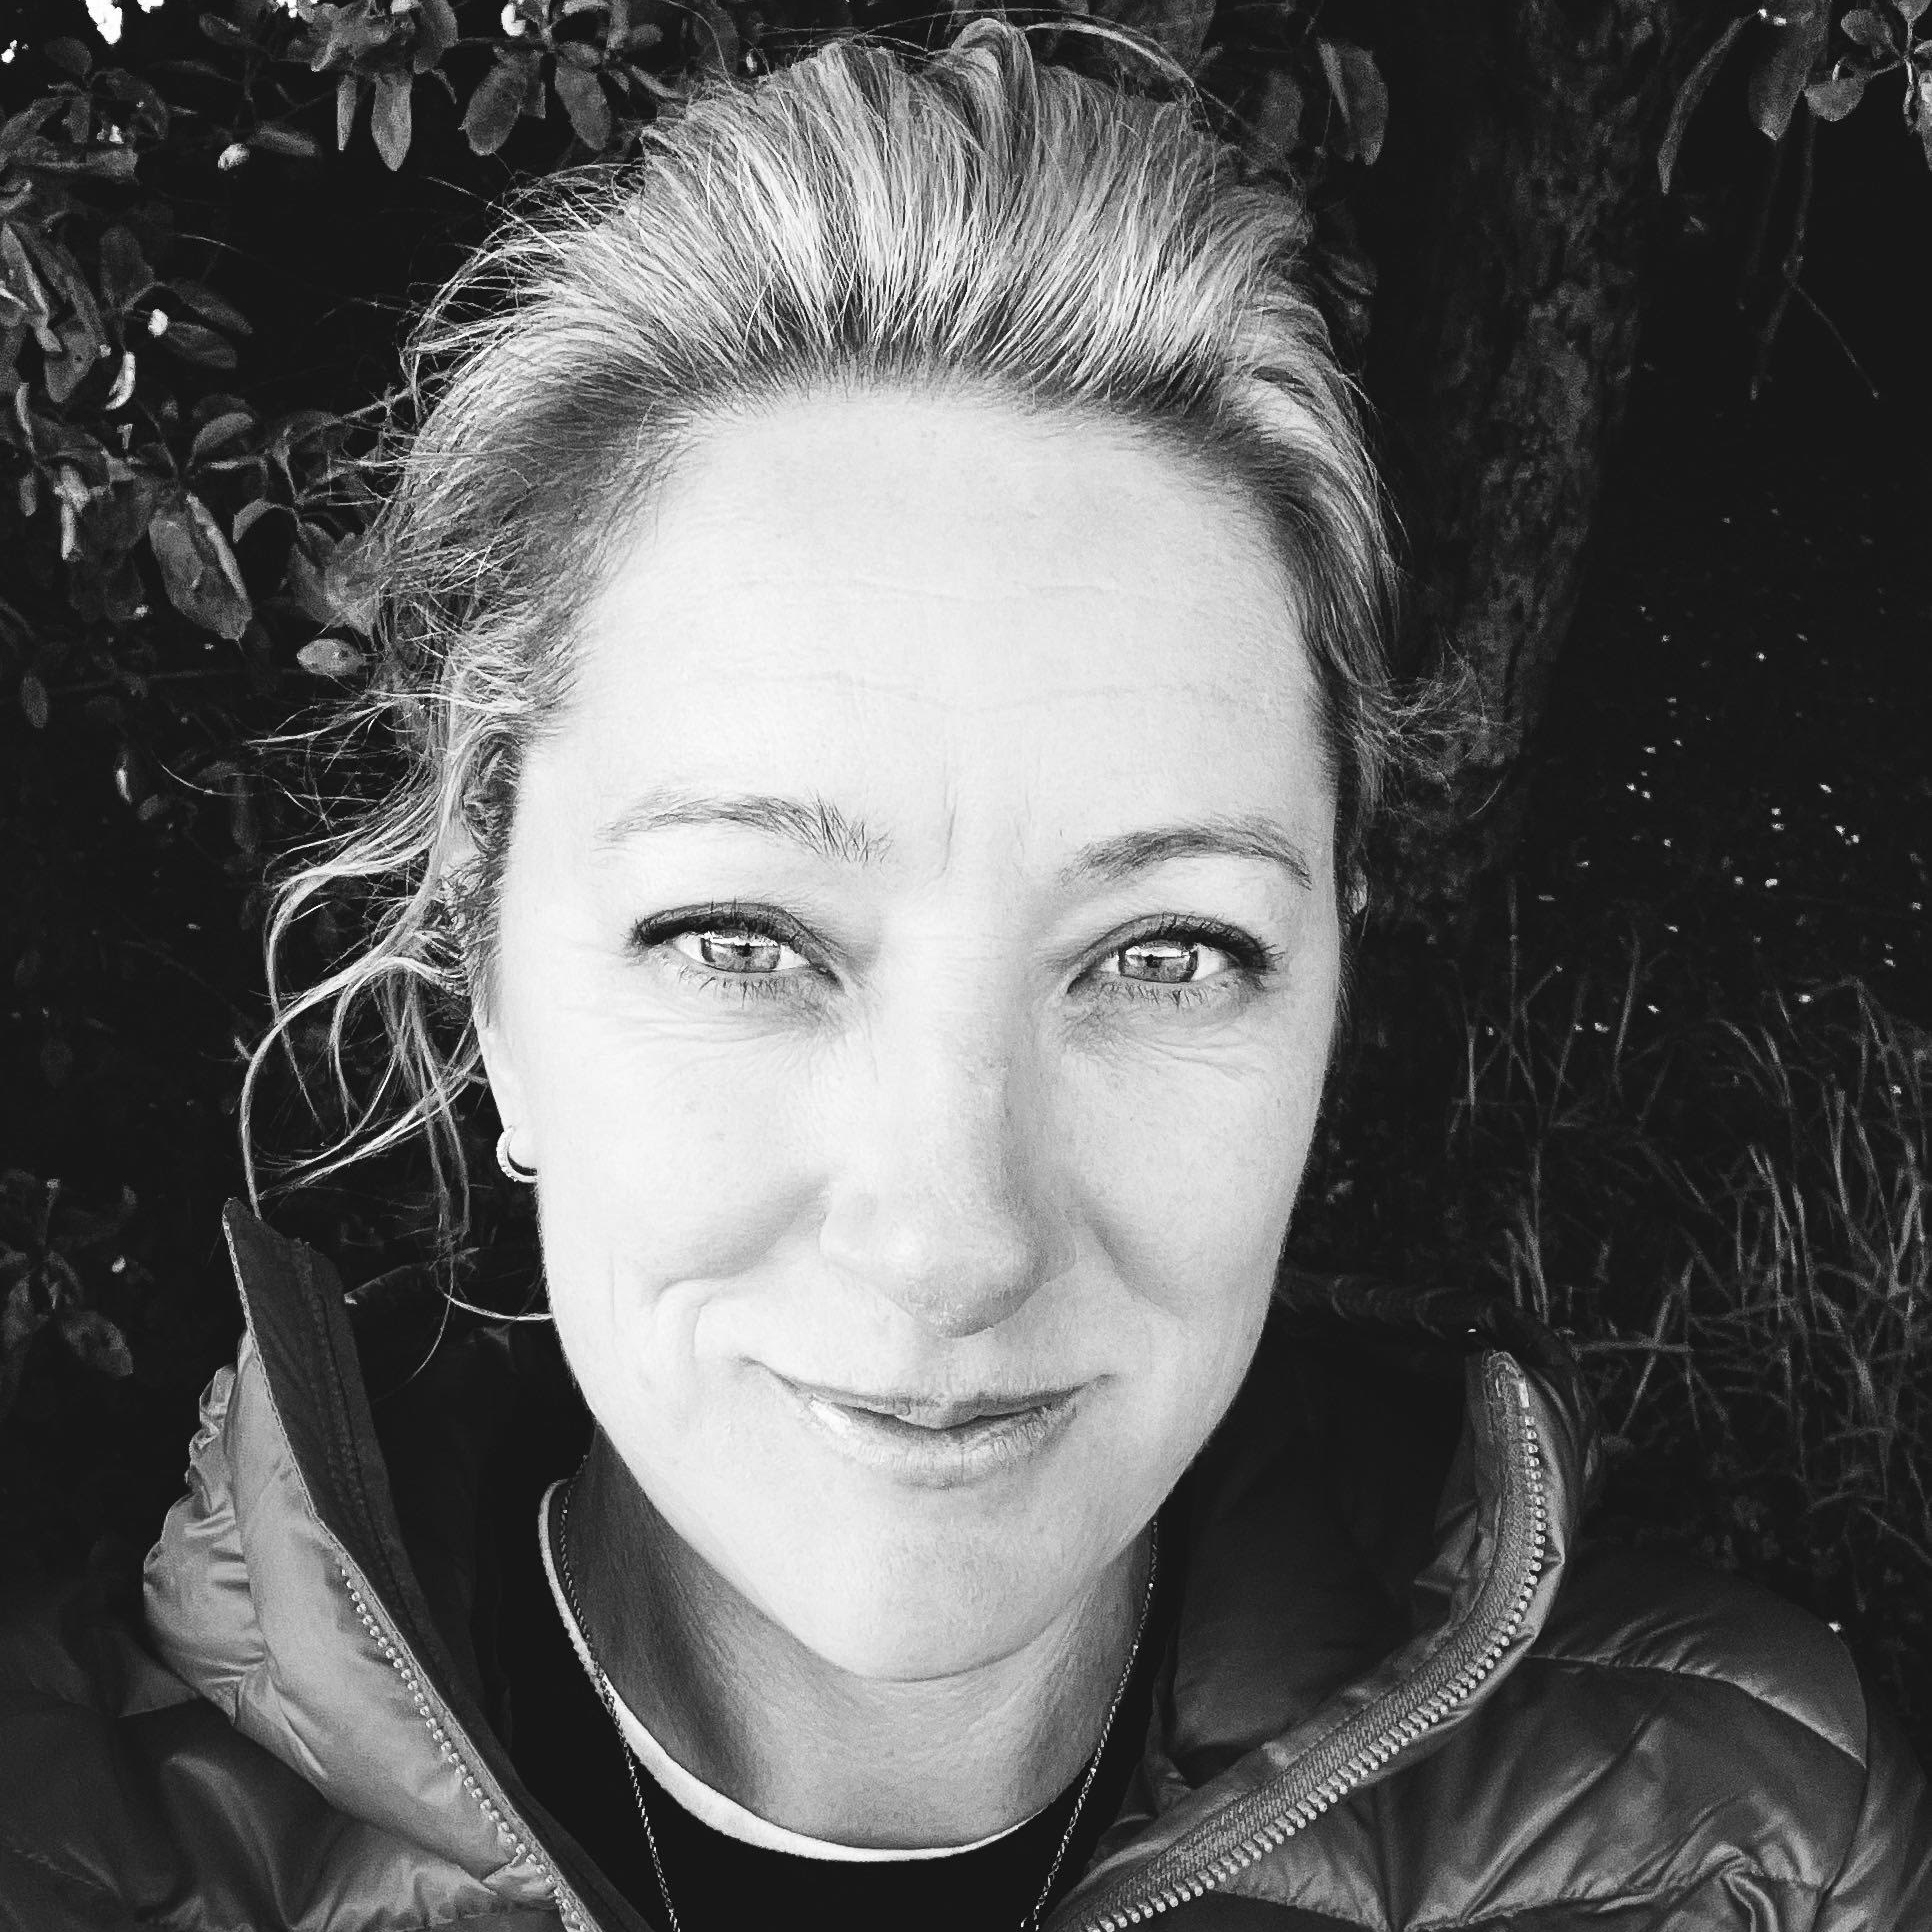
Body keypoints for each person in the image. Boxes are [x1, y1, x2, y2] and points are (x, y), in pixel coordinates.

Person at [3, 21, 1928, 1931]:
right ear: (485, 970)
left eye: (1165, 953)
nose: (951, 1243)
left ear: (1332, 989)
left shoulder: (1750, 1857)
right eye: (742, 942)